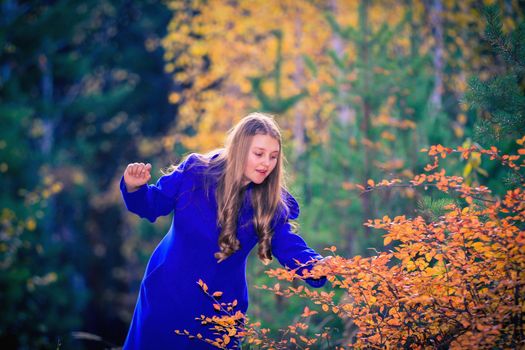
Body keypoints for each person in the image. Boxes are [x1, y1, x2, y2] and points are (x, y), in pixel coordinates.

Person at [120, 112, 327, 349]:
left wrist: (316, 265)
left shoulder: (269, 203)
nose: (266, 163)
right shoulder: (196, 173)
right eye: (259, 154)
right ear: (239, 149)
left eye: (273, 157)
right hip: (167, 296)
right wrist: (134, 188)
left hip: (221, 311)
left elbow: (289, 246)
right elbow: (154, 204)